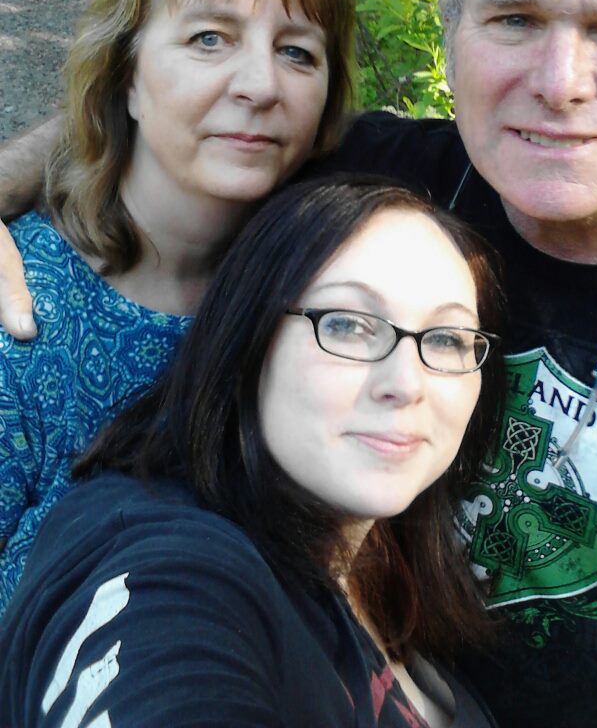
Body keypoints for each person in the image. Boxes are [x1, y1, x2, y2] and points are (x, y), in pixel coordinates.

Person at [1, 0, 597, 726]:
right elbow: (180, 112)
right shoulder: (375, 188)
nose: (561, 84)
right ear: (452, 38)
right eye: (514, 19)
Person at [0, 176, 504, 728]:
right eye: (348, 325)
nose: (406, 383)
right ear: (249, 338)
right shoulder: (170, 568)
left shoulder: (387, 564)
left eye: (448, 338)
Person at [0, 0, 356, 614]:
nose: (260, 85)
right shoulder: (22, 324)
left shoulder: (334, 291)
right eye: (208, 39)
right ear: (126, 74)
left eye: (297, 52)